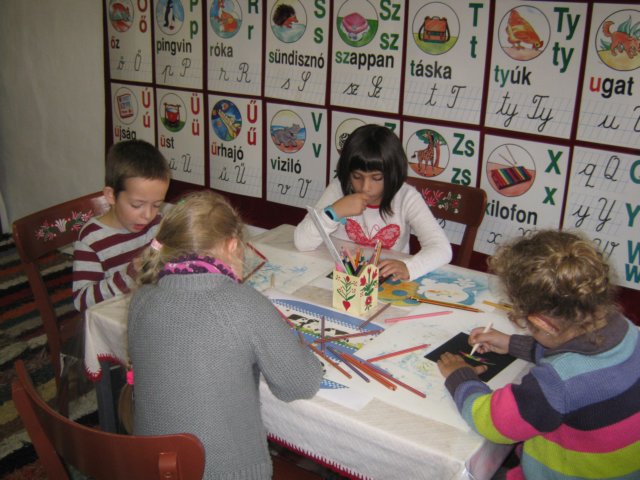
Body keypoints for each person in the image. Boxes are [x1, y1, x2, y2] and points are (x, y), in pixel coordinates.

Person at [128, 190, 323, 479]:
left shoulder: (141, 298)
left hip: (151, 467)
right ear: (232, 246)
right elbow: (300, 384)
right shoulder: (244, 304)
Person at [437, 230, 640, 480]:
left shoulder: (557, 382)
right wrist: (511, 343)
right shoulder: (627, 330)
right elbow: (569, 347)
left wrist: (460, 376)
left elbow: (494, 422)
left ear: (542, 323)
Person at [294, 124, 452, 281]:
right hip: (339, 278)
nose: (365, 187)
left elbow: (442, 248)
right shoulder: (338, 189)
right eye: (357, 177)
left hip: (385, 282)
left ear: (393, 174)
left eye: (376, 178)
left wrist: (409, 267)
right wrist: (334, 212)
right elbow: (302, 242)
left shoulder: (406, 197)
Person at [72, 139, 171, 312]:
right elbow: (82, 301)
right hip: (116, 319)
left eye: (156, 205)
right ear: (111, 196)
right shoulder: (92, 239)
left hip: (149, 308)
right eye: (136, 205)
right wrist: (128, 276)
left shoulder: (157, 224)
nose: (148, 215)